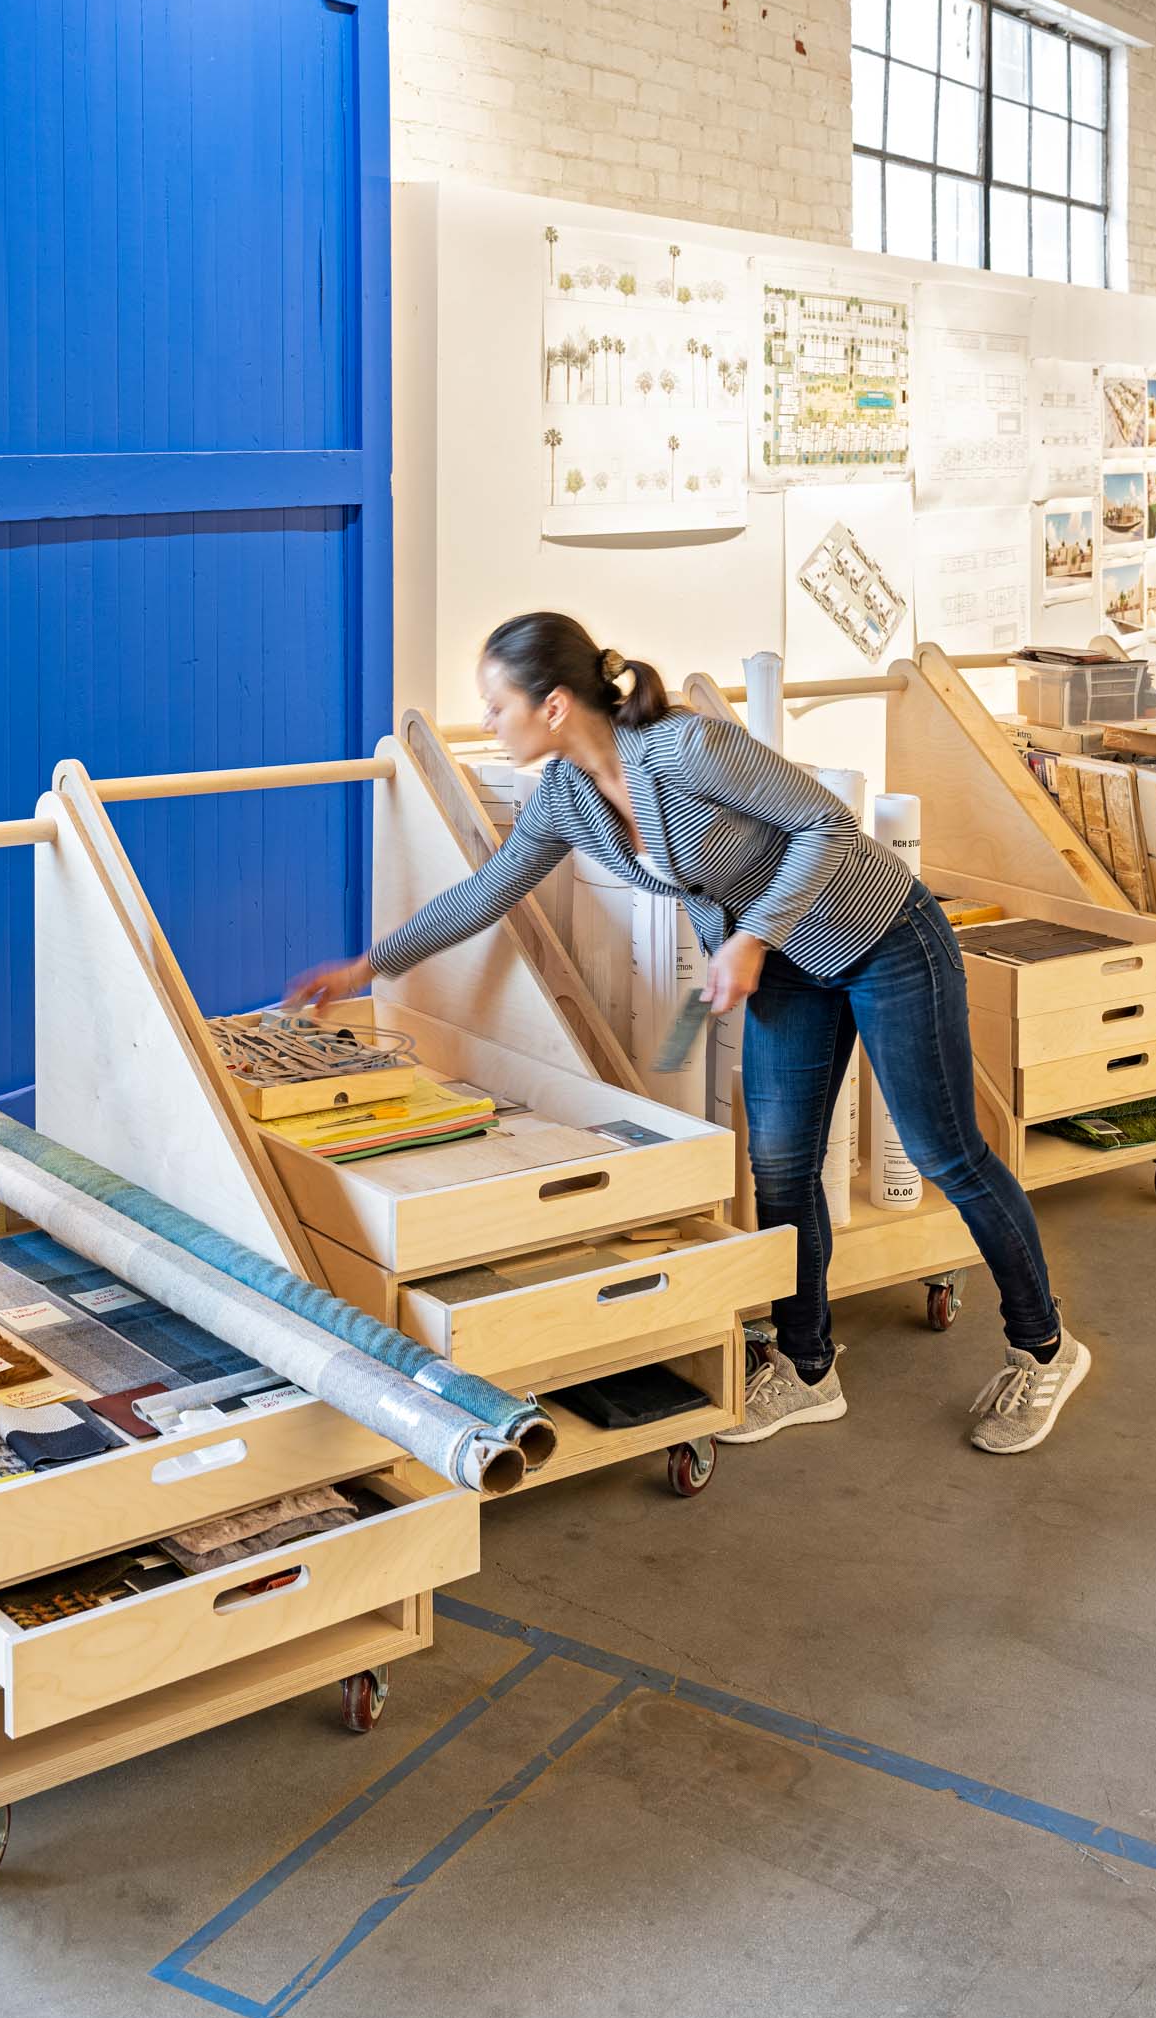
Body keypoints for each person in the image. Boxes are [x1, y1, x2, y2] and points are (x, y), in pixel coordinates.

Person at [289, 612, 1089, 1456]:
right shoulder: (566, 796)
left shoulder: (688, 747)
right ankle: (809, 1367)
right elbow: (485, 893)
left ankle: (1043, 1346)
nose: (487, 721)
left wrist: (749, 936)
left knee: (945, 1154)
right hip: (784, 966)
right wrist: (365, 966)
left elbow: (828, 825)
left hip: (882, 934)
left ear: (554, 705)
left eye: (496, 704)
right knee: (780, 1166)